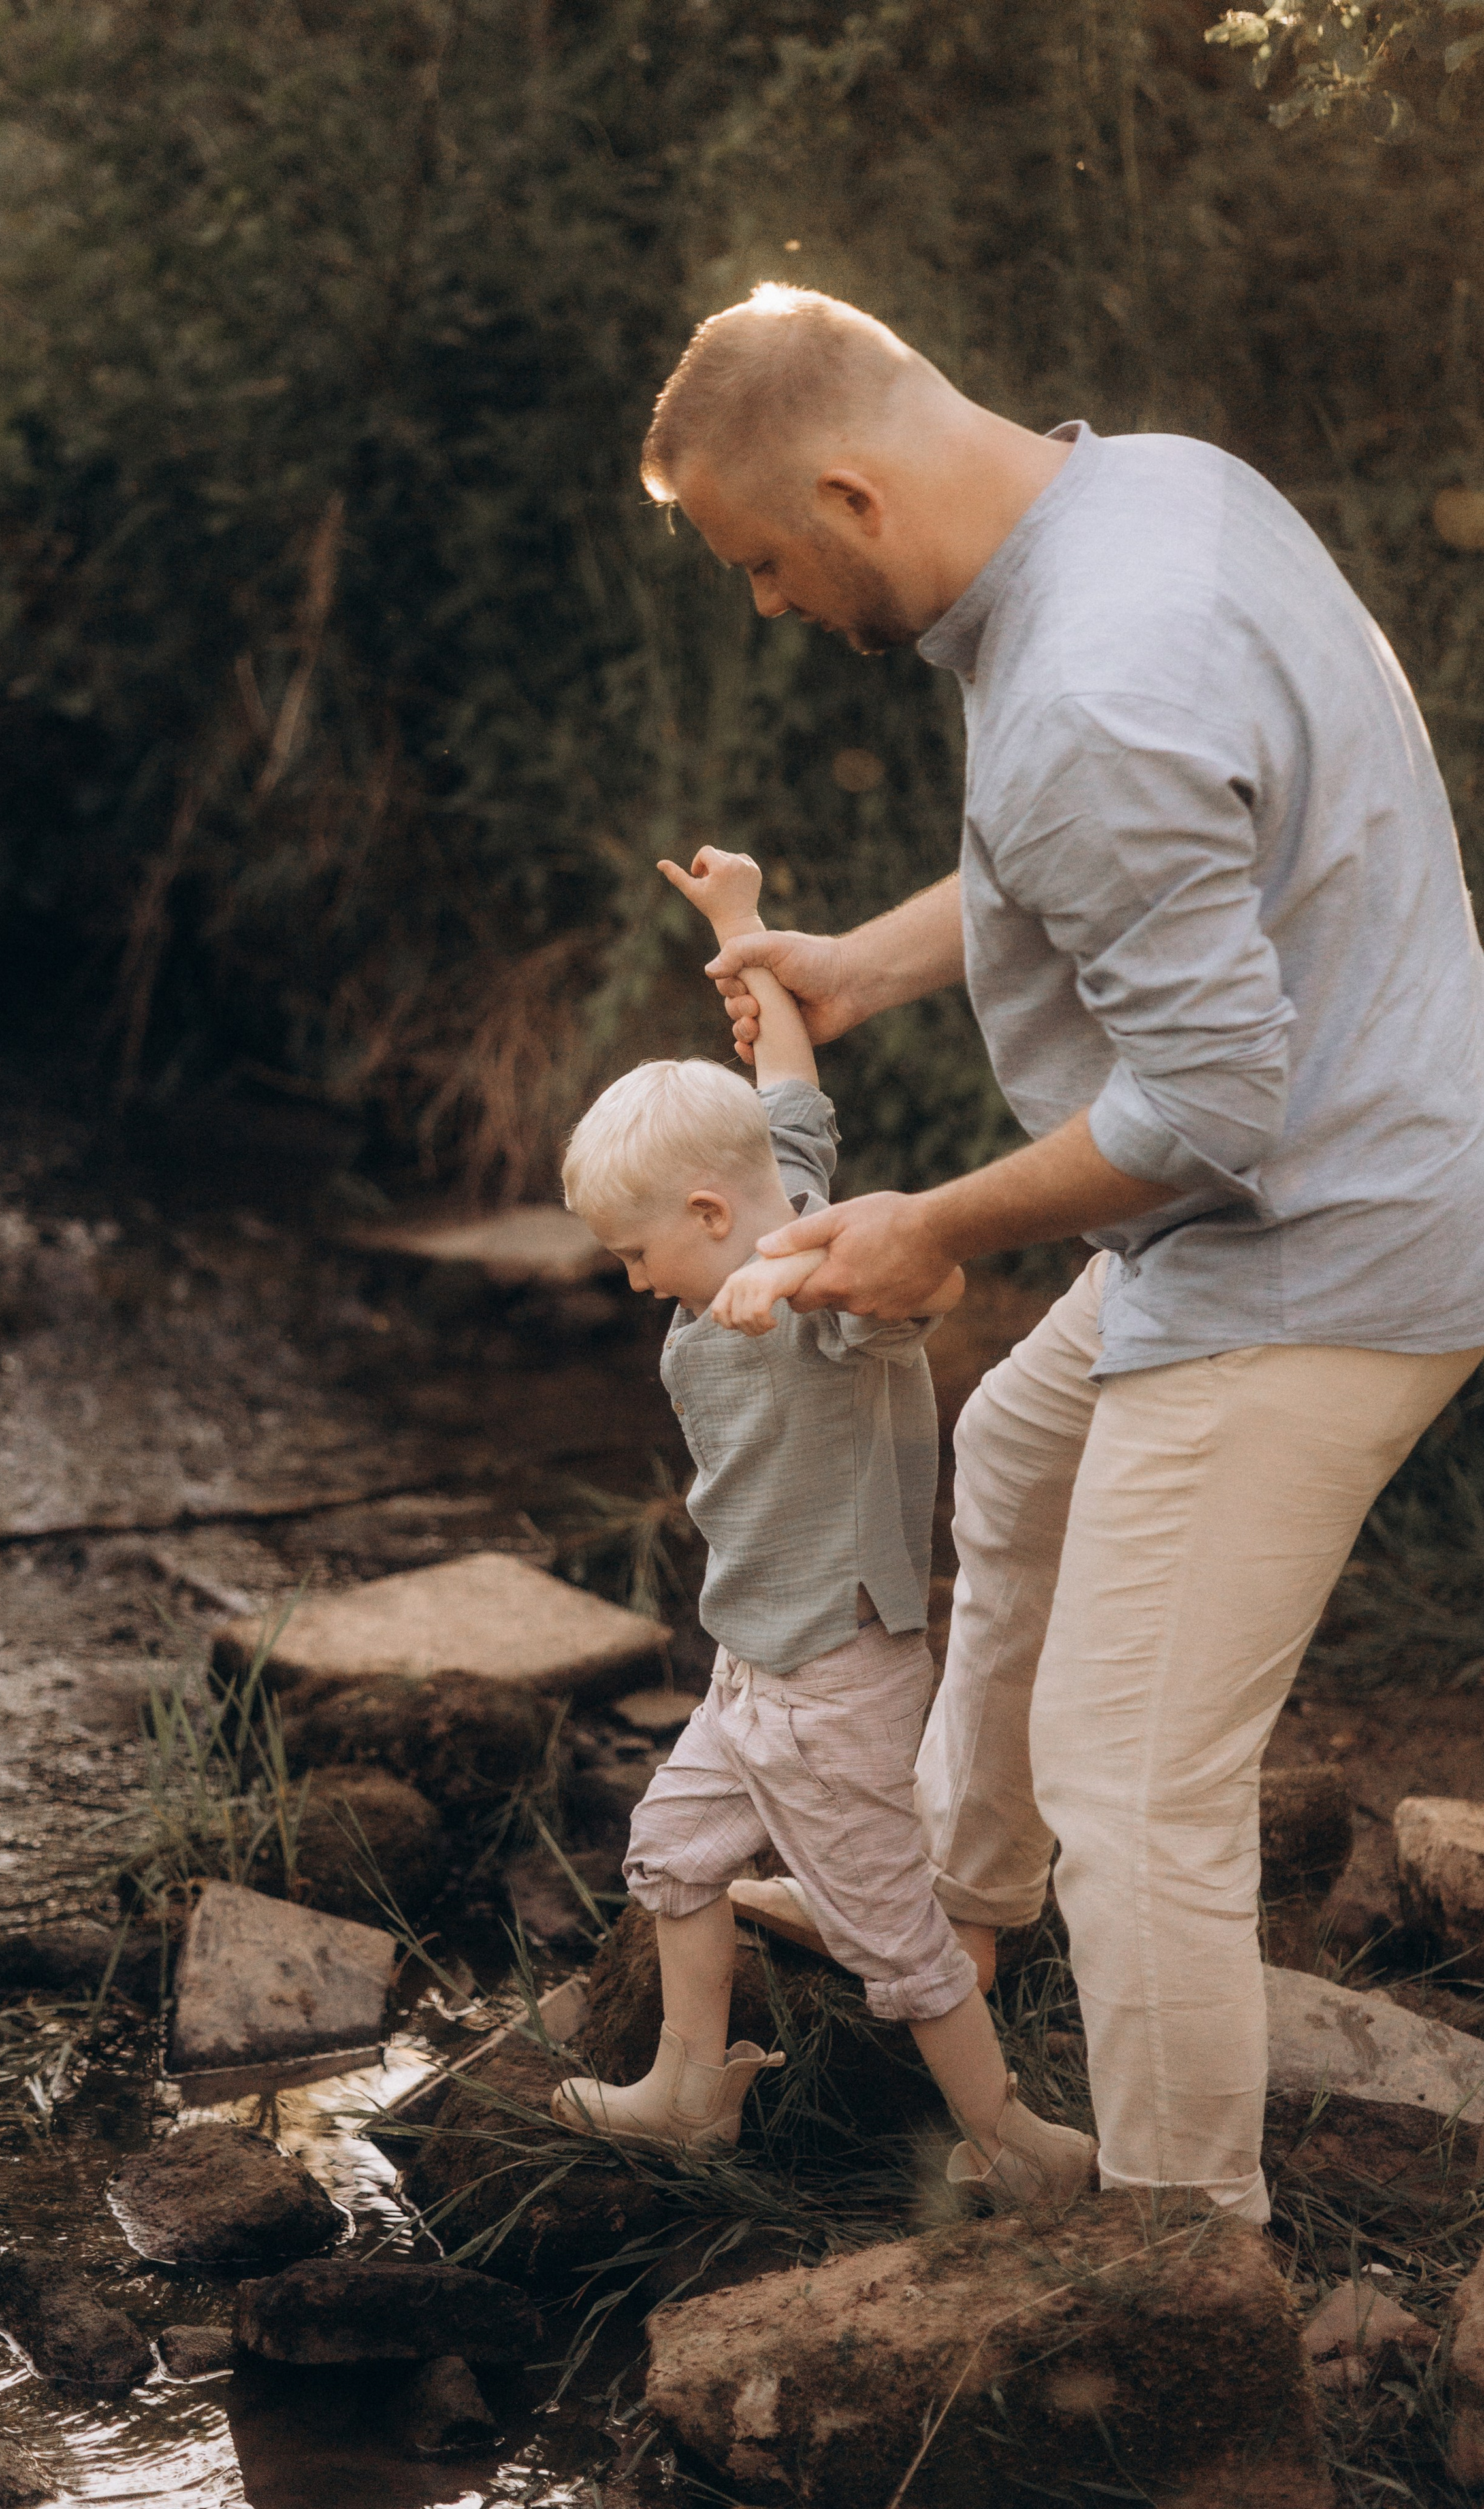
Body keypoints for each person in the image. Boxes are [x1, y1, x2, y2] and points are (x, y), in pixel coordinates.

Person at [643, 282, 1484, 2226]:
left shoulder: (1088, 687)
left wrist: (929, 1223)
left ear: (851, 495)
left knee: (1141, 1795)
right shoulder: (1150, 497)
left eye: (762, 562)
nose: (765, 602)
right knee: (1015, 1465)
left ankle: (1189, 2256)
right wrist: (859, 963)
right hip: (1372, 1130)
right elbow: (1129, 835)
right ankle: (951, 1884)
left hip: (1308, 1252)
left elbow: (1210, 1113)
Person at [548, 842, 1097, 2212]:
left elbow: (917, 1296)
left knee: (897, 1944)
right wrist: (745, 926)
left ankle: (1008, 2138)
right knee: (671, 1856)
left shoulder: (835, 1292)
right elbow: (788, 1086)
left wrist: (797, 1297)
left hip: (830, 1685)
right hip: (747, 1672)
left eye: (637, 1253)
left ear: (708, 1213)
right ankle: (688, 2092)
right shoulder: (757, 1184)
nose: (630, 1284)